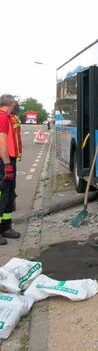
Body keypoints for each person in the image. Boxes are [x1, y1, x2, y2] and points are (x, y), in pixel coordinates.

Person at [0, 94, 21, 244]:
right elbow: (1, 141)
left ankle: (5, 227)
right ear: (11, 104)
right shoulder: (2, 117)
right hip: (3, 161)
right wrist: (7, 164)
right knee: (2, 195)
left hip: (7, 160)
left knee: (8, 194)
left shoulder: (6, 117)